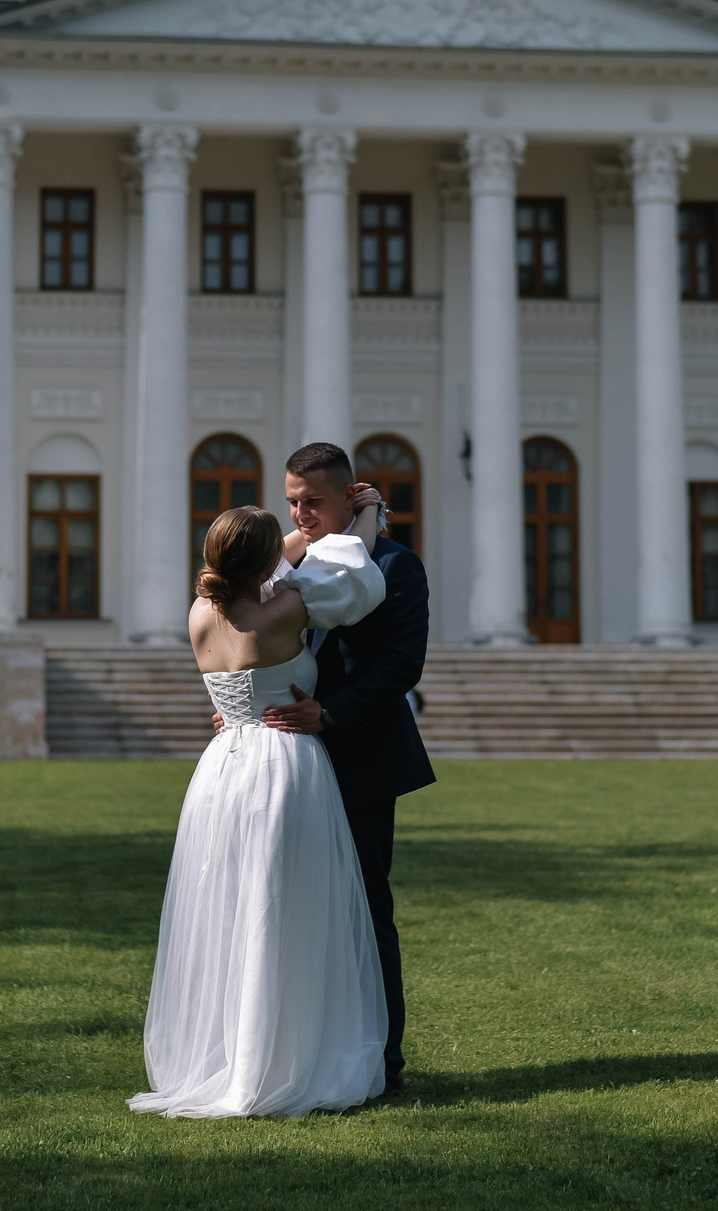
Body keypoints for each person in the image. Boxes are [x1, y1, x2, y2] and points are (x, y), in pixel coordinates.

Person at [129, 489, 391, 1118]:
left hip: (221, 770)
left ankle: (229, 1053)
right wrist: (367, 517)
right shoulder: (287, 611)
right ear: (265, 563)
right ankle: (281, 1057)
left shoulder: (199, 613)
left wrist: (281, 544)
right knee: (287, 908)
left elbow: (273, 564)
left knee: (227, 909)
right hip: (283, 763)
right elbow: (354, 576)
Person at [261, 441, 433, 1097]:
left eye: (314, 500)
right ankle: (315, 1054)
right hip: (284, 760)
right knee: (297, 912)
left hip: (359, 755)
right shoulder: (284, 562)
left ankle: (383, 1063)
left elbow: (400, 666)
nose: (302, 512)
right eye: (293, 500)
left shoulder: (396, 564)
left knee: (366, 909)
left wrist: (330, 714)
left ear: (349, 495)